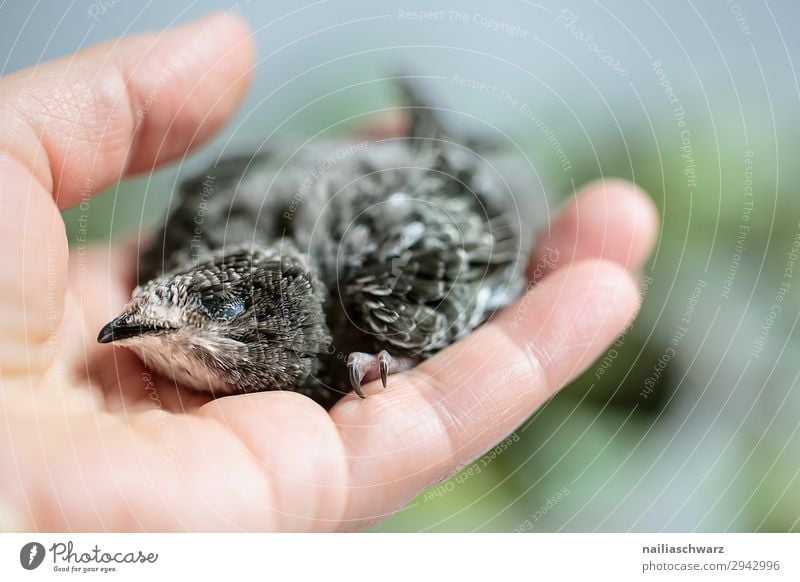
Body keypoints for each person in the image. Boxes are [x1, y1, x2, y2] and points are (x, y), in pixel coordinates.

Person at [0, 13, 658, 531]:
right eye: (162, 299)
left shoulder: (389, 287)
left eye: (222, 310)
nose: (141, 313)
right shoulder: (191, 236)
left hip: (451, 188)